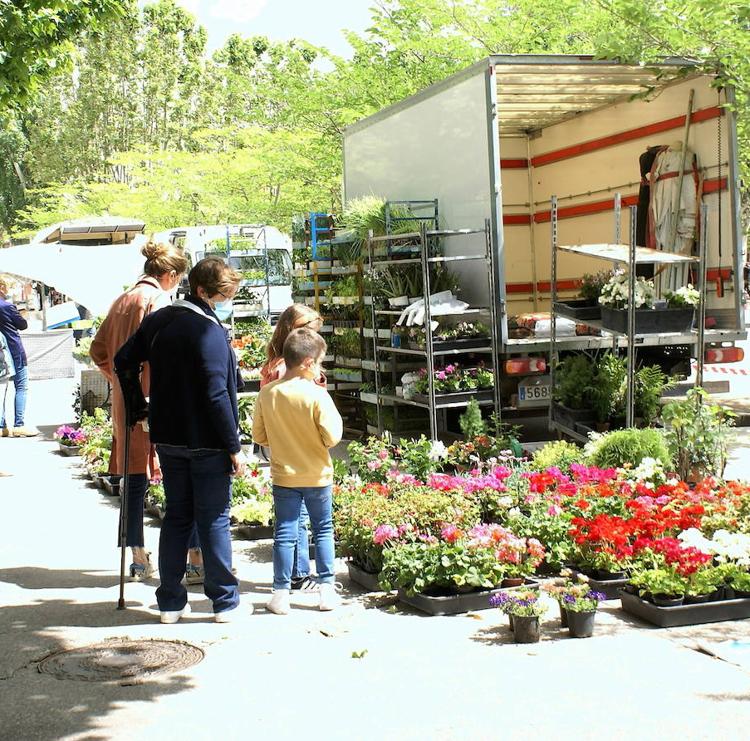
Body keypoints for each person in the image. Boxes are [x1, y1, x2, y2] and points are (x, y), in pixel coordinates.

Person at [115, 257, 245, 623]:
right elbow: (217, 394)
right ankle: (224, 601)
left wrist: (138, 406)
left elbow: (124, 360)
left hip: (169, 436)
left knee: (177, 517)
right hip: (208, 439)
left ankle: (170, 602)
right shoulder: (210, 332)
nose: (225, 301)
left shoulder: (160, 320)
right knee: (214, 518)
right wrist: (234, 446)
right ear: (203, 291)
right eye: (223, 295)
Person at [90, 239, 204, 583]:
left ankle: (138, 557)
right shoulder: (157, 300)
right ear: (169, 274)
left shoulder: (123, 299)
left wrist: (122, 383)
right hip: (157, 402)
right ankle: (194, 557)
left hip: (129, 405)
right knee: (179, 477)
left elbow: (98, 351)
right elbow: (167, 353)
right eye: (178, 277)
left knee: (134, 479)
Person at [253, 327, 343, 614]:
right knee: (323, 529)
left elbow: (258, 435)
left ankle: (280, 594)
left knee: (285, 532)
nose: (320, 367)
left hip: (283, 475)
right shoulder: (317, 395)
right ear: (307, 362)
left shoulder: (268, 394)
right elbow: (332, 436)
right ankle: (326, 590)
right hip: (317, 475)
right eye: (319, 362)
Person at [260, 304, 325, 591]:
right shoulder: (288, 369)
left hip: (283, 447)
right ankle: (298, 574)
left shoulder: (276, 362)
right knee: (299, 520)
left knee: (291, 518)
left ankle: (290, 579)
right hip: (300, 448)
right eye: (309, 329)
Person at [0, 277, 35, 437]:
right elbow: (22, 325)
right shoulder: (7, 306)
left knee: (1, 389)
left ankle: (2, 426)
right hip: (13, 350)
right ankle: (19, 425)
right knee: (21, 386)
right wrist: (22, 314)